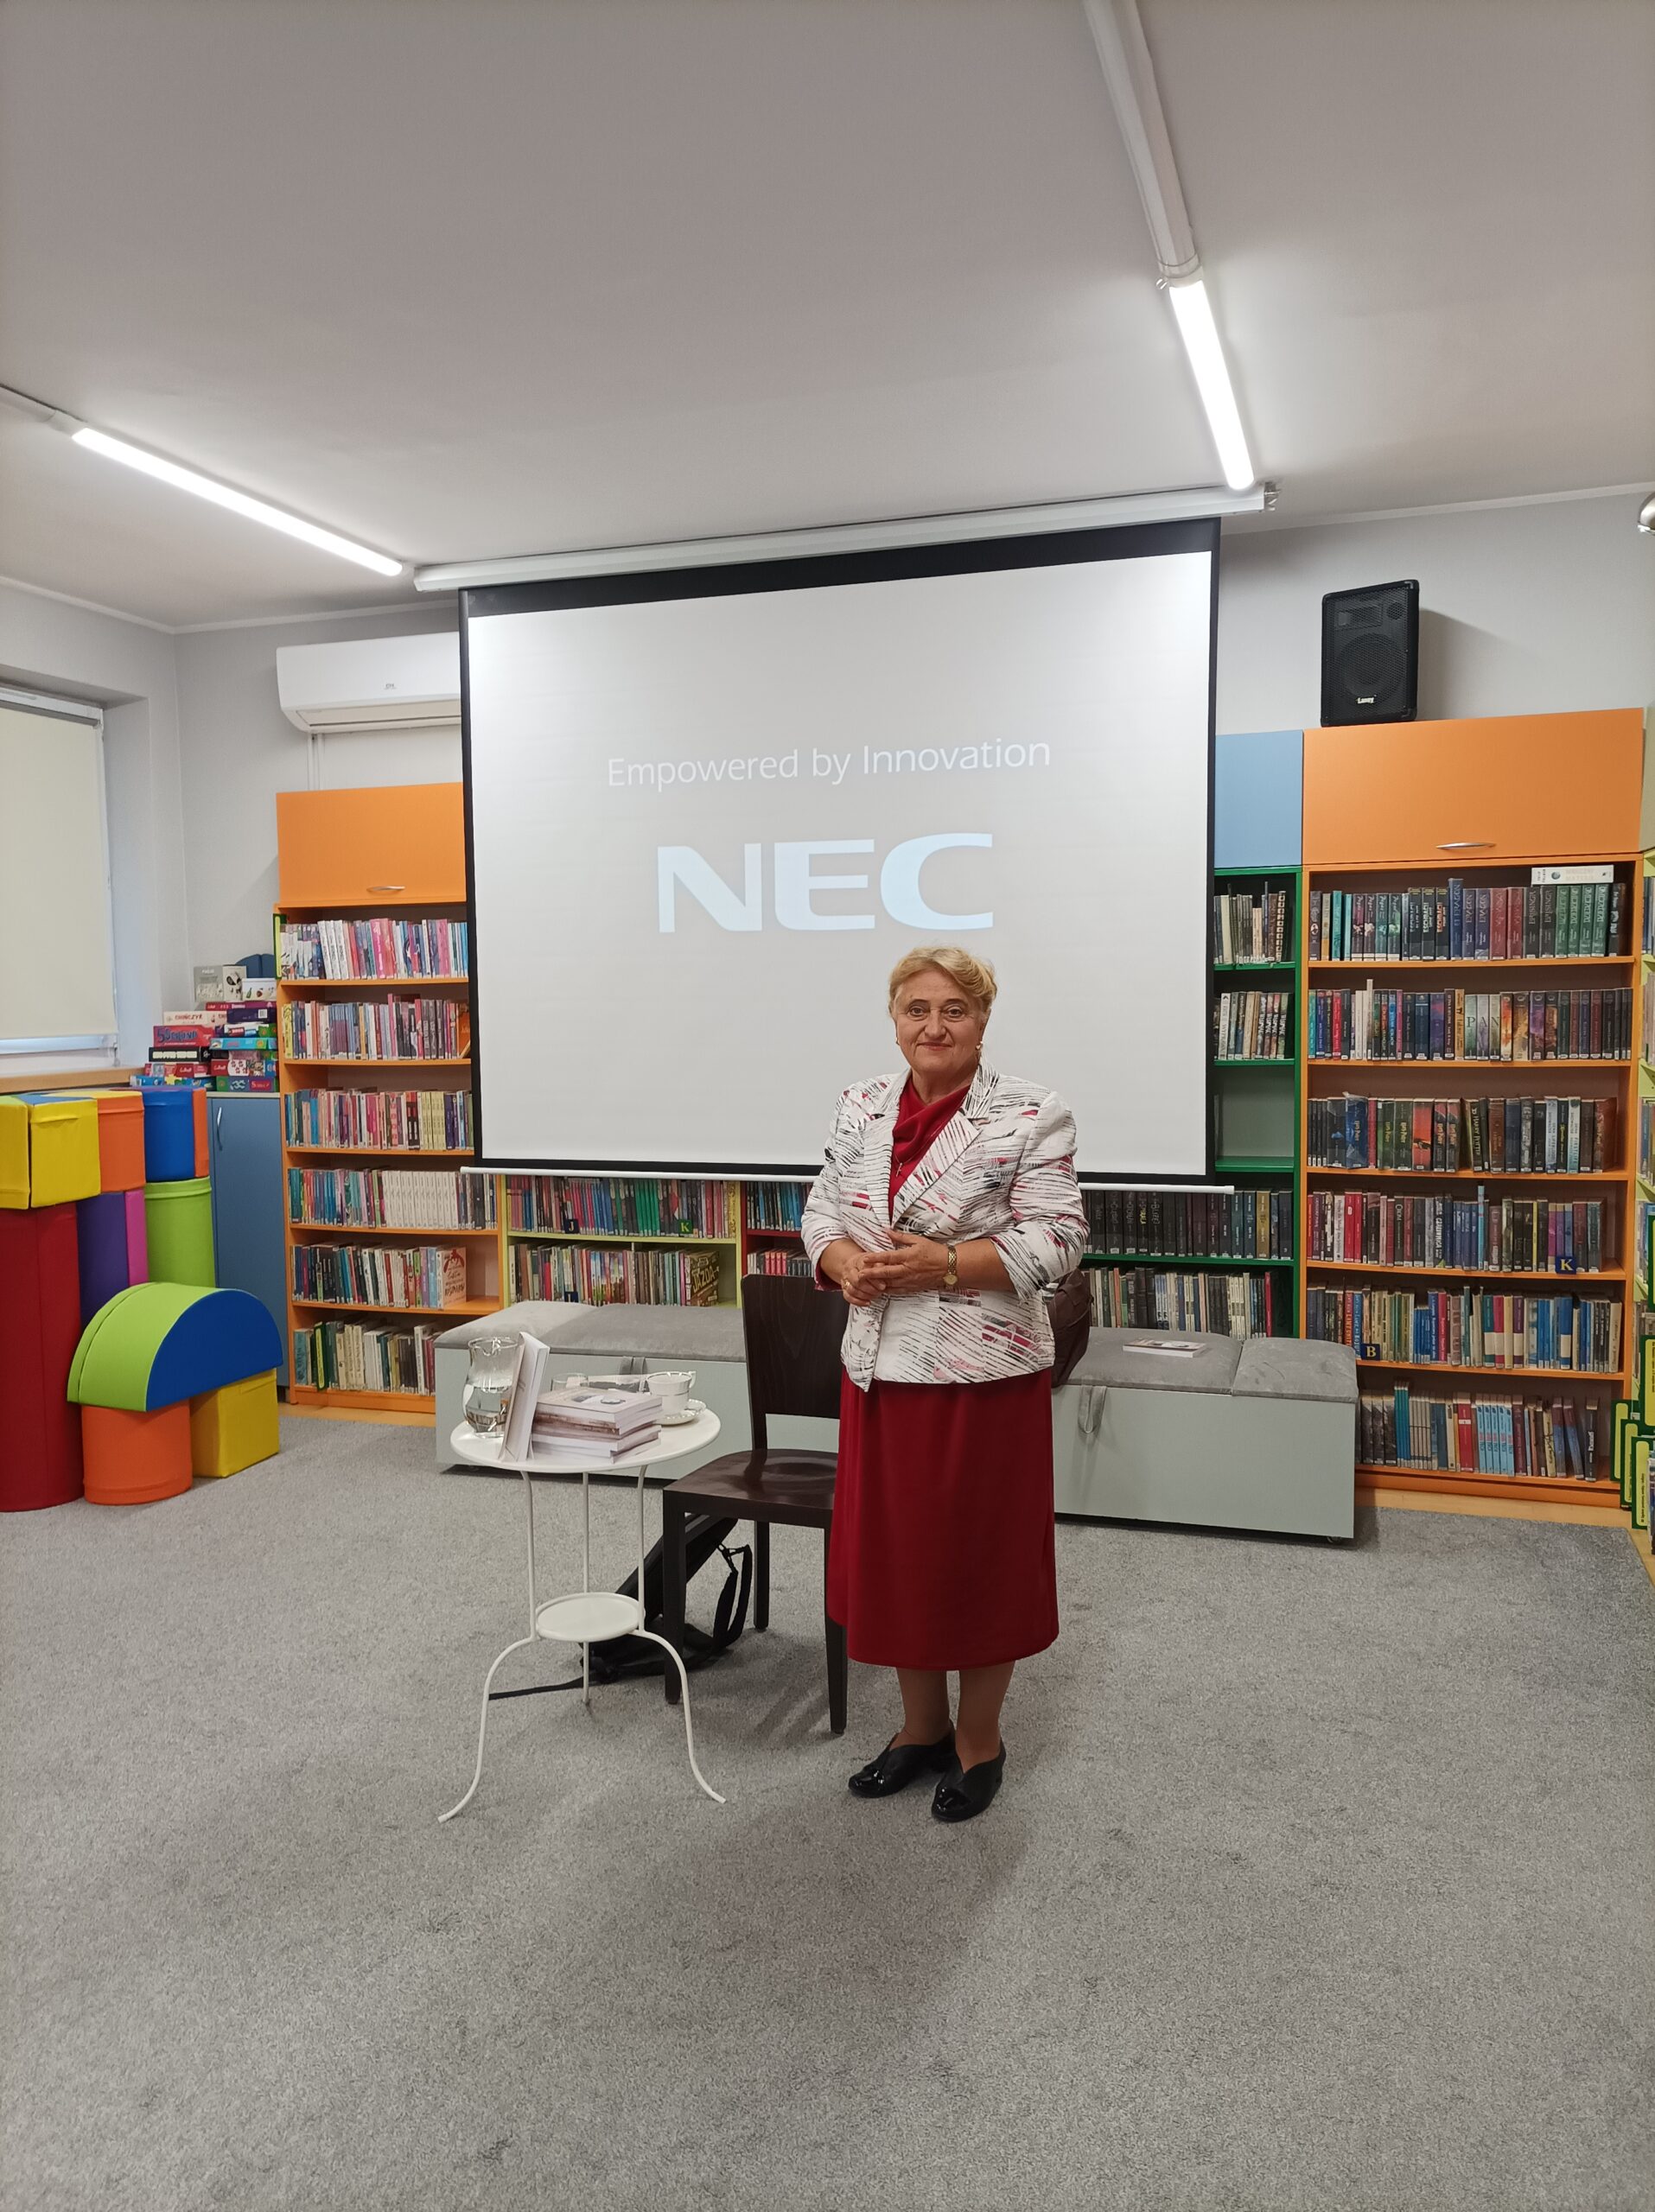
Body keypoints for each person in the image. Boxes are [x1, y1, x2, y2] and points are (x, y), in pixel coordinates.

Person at [801, 946, 1087, 1822]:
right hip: (879, 1370)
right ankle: (918, 1728)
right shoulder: (860, 1104)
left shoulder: (1032, 1111)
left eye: (954, 1009)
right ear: (894, 1019)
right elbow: (821, 1207)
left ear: (982, 1020)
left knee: (977, 1563)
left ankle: (980, 1742)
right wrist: (839, 1259)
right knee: (900, 1564)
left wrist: (947, 1264)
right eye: (916, 1009)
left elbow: (1058, 1240)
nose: (934, 1026)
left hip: (980, 1376)